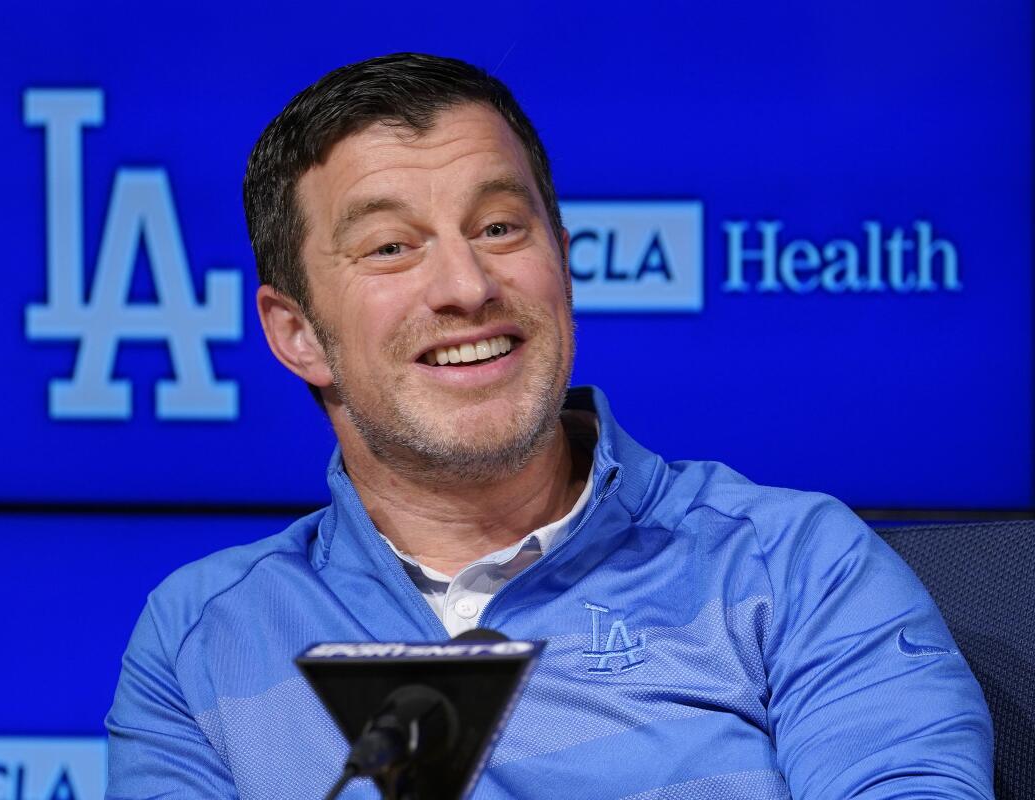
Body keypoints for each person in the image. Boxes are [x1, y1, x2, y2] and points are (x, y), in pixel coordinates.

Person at [105, 53, 993, 799]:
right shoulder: (202, 640)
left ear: (562, 266)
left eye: (499, 227)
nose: (466, 285)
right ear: (299, 334)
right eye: (391, 247)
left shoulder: (795, 565)